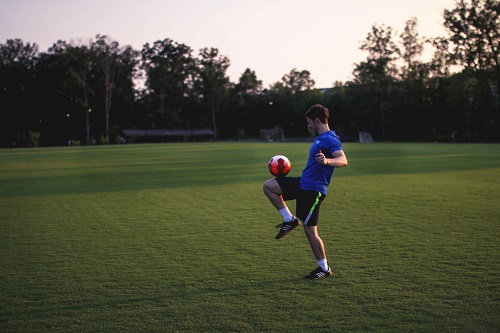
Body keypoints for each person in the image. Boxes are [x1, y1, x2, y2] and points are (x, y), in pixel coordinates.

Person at [263, 104, 348, 279]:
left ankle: (324, 269)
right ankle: (289, 219)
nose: (308, 126)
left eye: (309, 122)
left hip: (313, 191)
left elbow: (343, 160)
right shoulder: (319, 138)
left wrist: (327, 161)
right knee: (269, 186)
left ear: (317, 120)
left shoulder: (330, 139)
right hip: (303, 183)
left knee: (310, 231)